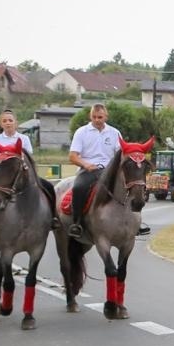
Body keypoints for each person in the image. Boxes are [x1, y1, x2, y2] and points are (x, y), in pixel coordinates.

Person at [0, 108, 56, 240]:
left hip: (23, 174)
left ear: (16, 122)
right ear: (0, 123)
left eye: (10, 120)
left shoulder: (23, 138)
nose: (8, 123)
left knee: (48, 186)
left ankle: (53, 218)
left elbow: (29, 158)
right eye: (4, 121)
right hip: (3, 176)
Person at [66, 103, 123, 242]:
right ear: (90, 116)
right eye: (94, 117)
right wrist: (86, 164)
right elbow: (72, 156)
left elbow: (121, 154)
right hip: (88, 170)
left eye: (100, 117)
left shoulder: (115, 133)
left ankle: (132, 222)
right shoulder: (81, 132)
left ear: (106, 117)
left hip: (109, 170)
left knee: (127, 187)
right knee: (79, 188)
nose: (97, 120)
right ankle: (77, 223)